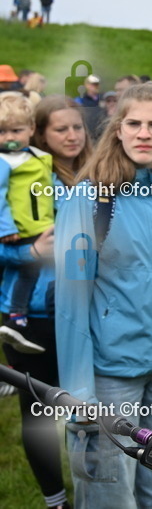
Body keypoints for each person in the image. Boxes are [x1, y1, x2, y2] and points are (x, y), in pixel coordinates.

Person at [54, 82, 152, 508]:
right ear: (118, 130)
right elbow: (71, 302)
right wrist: (78, 394)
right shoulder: (89, 200)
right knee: (109, 491)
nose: (144, 133)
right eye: (134, 123)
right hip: (110, 376)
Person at [0, 97, 89, 509]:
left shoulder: (97, 174)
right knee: (39, 413)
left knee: (89, 406)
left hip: (88, 311)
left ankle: (99, 491)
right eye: (61, 129)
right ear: (39, 132)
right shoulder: (21, 174)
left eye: (78, 127)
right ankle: (56, 502)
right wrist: (31, 254)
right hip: (33, 315)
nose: (72, 136)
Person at [0, 94, 55, 354]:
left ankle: (16, 318)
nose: (8, 137)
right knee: (28, 269)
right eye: (1, 132)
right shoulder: (4, 161)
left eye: (16, 130)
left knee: (30, 271)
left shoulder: (34, 157)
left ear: (31, 129)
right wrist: (5, 228)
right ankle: (16, 317)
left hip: (39, 225)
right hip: (20, 230)